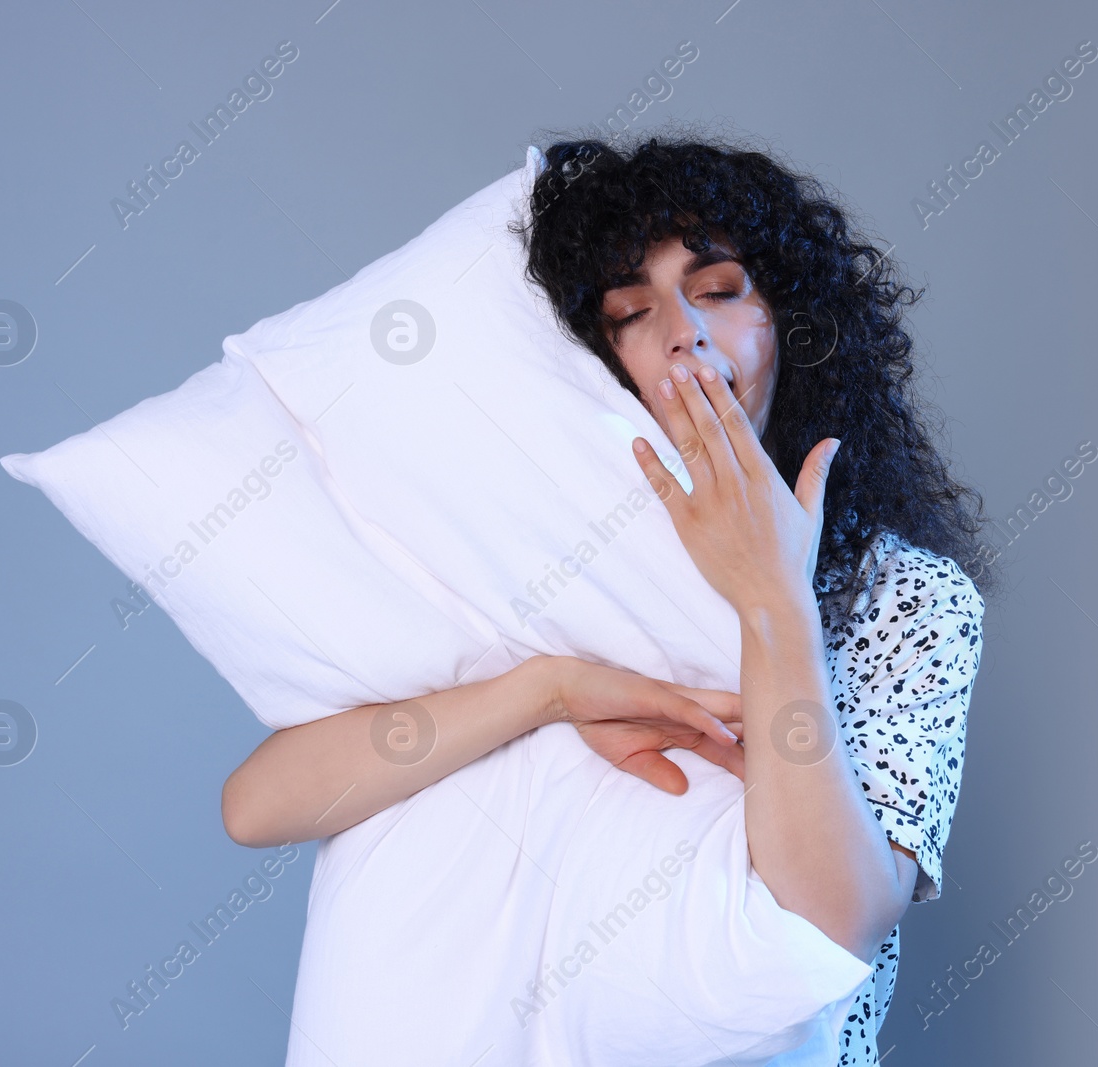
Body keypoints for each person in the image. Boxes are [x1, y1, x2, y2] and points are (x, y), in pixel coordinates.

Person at [223, 130, 996, 1066]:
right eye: (632, 311)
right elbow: (256, 806)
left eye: (718, 291)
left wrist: (772, 597)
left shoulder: (904, 595)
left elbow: (839, 920)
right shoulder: (522, 551)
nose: (684, 331)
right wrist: (548, 689)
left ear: (792, 319)